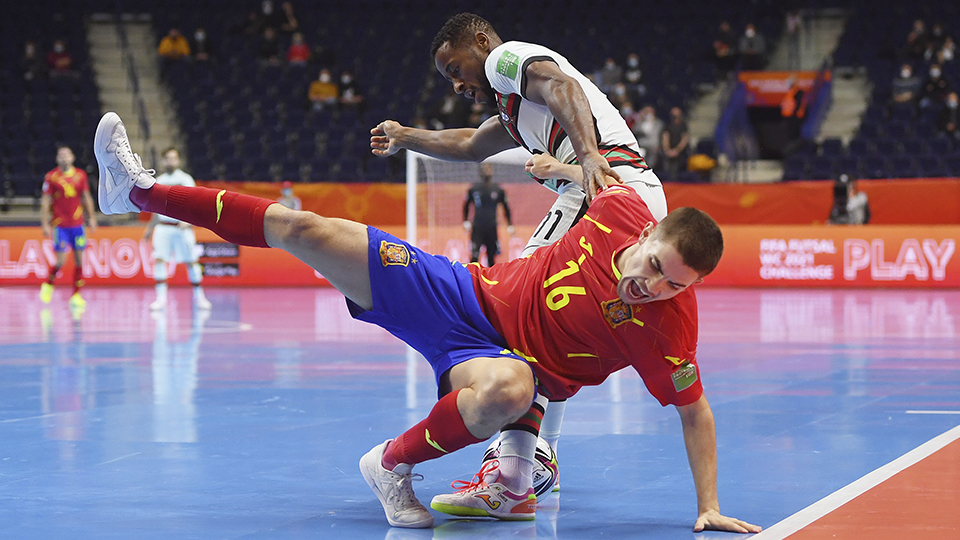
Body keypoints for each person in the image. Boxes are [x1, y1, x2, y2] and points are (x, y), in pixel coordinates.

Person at [95, 111, 761, 534]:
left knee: (512, 391)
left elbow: (694, 411)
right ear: (647, 236)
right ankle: (136, 191)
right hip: (460, 297)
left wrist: (707, 504)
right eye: (653, 268)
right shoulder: (619, 209)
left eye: (674, 285)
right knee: (304, 228)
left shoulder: (669, 326)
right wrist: (564, 166)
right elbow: (594, 170)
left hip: (508, 368)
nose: (652, 288)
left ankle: (390, 467)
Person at [370, 12, 666, 503]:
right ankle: (530, 462)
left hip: (604, 192)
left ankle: (518, 468)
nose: (458, 83)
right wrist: (405, 135)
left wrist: (589, 155)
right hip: (616, 196)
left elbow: (560, 83)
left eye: (456, 68)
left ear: (482, 43)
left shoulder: (511, 59)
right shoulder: (513, 108)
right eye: (449, 78)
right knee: (544, 329)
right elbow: (466, 144)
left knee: (513, 315)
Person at [142, 148, 211, 312]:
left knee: (191, 261)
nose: (171, 161)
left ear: (178, 160)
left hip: (182, 228)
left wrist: (190, 221)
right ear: (163, 161)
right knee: (159, 260)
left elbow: (195, 203)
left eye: (174, 158)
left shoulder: (185, 179)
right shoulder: (158, 181)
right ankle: (160, 299)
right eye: (168, 158)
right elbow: (155, 209)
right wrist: (149, 229)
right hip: (163, 228)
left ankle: (199, 297)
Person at [39, 146, 97, 308]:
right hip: (60, 226)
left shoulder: (80, 175)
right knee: (60, 261)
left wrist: (91, 217)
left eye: (67, 155)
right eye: (61, 155)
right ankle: (49, 284)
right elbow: (45, 201)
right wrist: (44, 223)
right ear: (57, 159)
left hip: (77, 225)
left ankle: (76, 295)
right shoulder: (51, 177)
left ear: (72, 157)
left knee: (79, 261)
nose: (64, 158)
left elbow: (86, 197)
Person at [463, 162, 514, 266]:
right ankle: (471, 280)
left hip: (491, 227)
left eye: (489, 168)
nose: (487, 171)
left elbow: (506, 207)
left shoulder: (498, 189)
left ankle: (490, 281)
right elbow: (466, 205)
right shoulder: (474, 188)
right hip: (477, 227)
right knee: (474, 257)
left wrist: (509, 224)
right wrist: (466, 221)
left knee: (492, 257)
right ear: (480, 172)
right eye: (484, 169)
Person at [661, 107, 690, 181]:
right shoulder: (668, 125)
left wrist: (677, 150)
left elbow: (684, 139)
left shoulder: (683, 125)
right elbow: (665, 137)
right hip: (669, 151)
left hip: (680, 151)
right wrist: (668, 150)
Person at [633, 105, 664, 169]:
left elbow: (660, 136)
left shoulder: (658, 123)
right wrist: (640, 119)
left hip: (653, 146)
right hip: (642, 146)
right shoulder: (640, 123)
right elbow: (635, 129)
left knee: (652, 162)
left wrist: (659, 145)